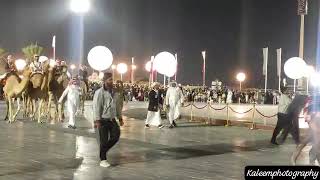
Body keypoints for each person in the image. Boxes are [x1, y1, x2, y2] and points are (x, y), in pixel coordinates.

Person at [93, 72, 124, 167]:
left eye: (112, 79)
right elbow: (97, 107)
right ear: (105, 81)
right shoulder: (99, 92)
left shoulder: (115, 92)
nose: (112, 81)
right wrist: (97, 120)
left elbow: (117, 106)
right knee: (104, 140)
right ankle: (103, 159)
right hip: (103, 120)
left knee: (116, 136)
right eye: (110, 80)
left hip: (112, 119)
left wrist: (120, 117)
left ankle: (103, 151)